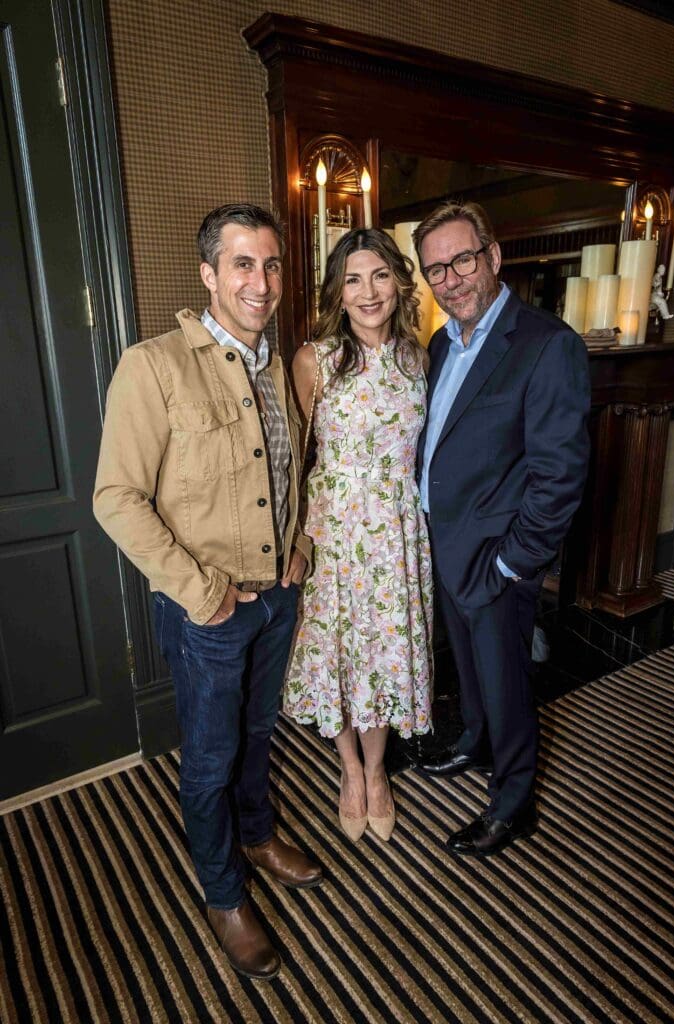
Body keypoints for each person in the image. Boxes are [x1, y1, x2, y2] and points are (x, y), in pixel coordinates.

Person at [93, 204, 322, 981]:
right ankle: (223, 893)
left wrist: (297, 547)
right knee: (211, 757)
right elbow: (116, 497)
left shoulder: (277, 363)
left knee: (258, 737)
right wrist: (203, 592)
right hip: (209, 611)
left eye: (271, 265)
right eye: (242, 265)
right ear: (208, 275)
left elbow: (286, 477)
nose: (261, 283)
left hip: (276, 597)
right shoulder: (153, 366)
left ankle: (258, 835)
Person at [414, 201, 590, 856]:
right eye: (435, 269)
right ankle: (473, 742)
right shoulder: (440, 342)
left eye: (461, 260)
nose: (450, 278)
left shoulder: (546, 345)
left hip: (494, 557)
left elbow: (559, 477)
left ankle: (512, 803)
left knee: (506, 681)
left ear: (491, 257)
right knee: (468, 667)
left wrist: (512, 564)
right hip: (447, 544)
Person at [283, 228, 433, 843]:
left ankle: (377, 770)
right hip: (338, 531)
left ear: (399, 282)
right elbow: (297, 457)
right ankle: (348, 768)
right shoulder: (312, 360)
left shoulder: (418, 357)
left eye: (378, 276)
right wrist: (296, 541)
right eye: (352, 279)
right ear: (336, 293)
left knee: (386, 652)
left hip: (397, 531)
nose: (368, 292)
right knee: (340, 655)